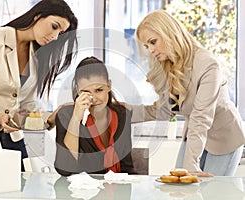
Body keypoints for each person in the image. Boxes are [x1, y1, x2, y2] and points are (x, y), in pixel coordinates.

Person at [0, 0, 78, 171]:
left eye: (61, 32)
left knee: (20, 186)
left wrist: (50, 118)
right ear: (37, 16)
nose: (55, 36)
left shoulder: (36, 56)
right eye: (54, 26)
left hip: (12, 133)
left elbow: (26, 105)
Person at [132, 9, 245, 176]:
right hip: (194, 135)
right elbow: (162, 110)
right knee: (182, 189)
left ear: (168, 33)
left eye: (153, 42)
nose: (151, 50)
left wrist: (191, 165)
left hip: (223, 138)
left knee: (211, 193)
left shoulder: (207, 65)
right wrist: (119, 110)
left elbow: (201, 116)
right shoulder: (170, 65)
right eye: (147, 46)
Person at [54, 56, 135, 176]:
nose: (94, 99)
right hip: (82, 191)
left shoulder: (122, 114)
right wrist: (76, 118)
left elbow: (127, 166)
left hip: (117, 189)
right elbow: (65, 169)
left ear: (109, 86)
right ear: (78, 90)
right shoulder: (65, 115)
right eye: (86, 92)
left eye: (99, 90)